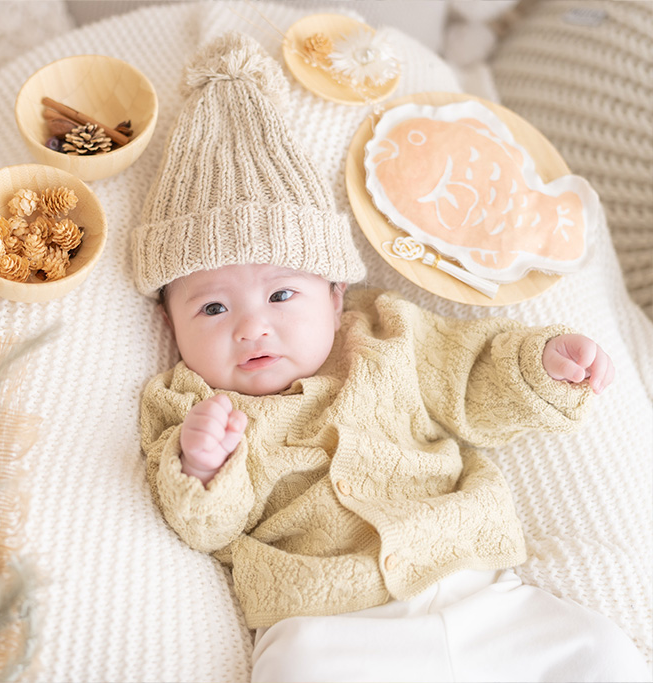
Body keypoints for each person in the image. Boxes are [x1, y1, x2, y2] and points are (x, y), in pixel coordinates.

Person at [132, 32, 650, 683]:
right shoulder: (189, 405)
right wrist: (204, 463)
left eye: (282, 293)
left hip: (482, 594)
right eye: (212, 309)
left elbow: (472, 377)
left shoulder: (386, 331)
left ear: (334, 290)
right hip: (333, 628)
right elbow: (206, 524)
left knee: (602, 652)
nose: (251, 327)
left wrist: (541, 365)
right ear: (167, 320)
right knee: (294, 667)